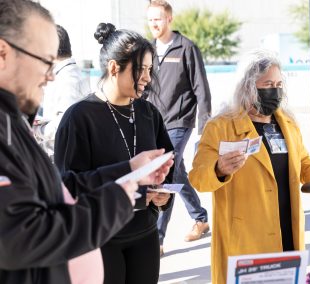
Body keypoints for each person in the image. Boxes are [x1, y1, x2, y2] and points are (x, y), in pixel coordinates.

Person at [0, 1, 173, 284]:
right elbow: (20, 235)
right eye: (45, 60)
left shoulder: (13, 121)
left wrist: (133, 174)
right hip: (106, 241)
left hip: (143, 231)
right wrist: (120, 197)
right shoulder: (77, 117)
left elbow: (56, 193)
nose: (51, 74)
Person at [188, 48, 310, 284]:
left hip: (286, 234)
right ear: (248, 86)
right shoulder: (221, 127)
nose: (276, 90)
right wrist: (219, 170)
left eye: (280, 83)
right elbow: (198, 178)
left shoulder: (288, 124)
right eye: (268, 83)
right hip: (244, 241)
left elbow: (303, 162)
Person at [54, 23, 174, 284]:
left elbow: (168, 161)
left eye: (150, 70)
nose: (147, 78)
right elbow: (68, 186)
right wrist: (129, 173)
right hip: (100, 240)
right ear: (113, 67)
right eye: (140, 69)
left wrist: (162, 193)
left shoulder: (148, 113)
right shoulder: (79, 117)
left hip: (145, 234)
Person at [147, 0, 212, 254]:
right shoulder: (148, 50)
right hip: (154, 121)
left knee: (165, 172)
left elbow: (201, 89)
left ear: (169, 19)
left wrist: (204, 127)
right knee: (177, 172)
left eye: (158, 19)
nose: (154, 24)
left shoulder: (186, 48)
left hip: (179, 121)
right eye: (151, 19)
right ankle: (200, 217)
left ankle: (157, 238)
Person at [38, 24, 91, 158]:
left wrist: (37, 129)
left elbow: (64, 125)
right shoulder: (66, 74)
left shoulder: (68, 79)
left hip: (63, 160)